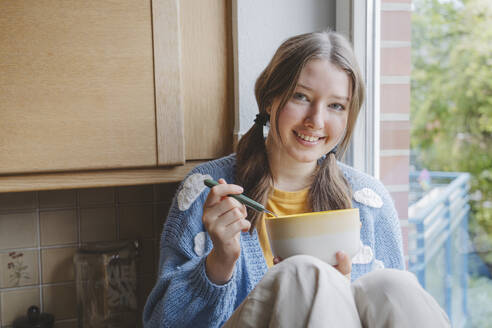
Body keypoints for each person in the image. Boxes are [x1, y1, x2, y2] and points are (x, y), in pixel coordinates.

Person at [143, 30, 450, 327]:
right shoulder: (207, 190)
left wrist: (338, 297)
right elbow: (163, 324)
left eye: (335, 106)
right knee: (304, 273)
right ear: (269, 99)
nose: (316, 120)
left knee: (393, 285)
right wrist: (219, 262)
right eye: (301, 97)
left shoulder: (371, 201)